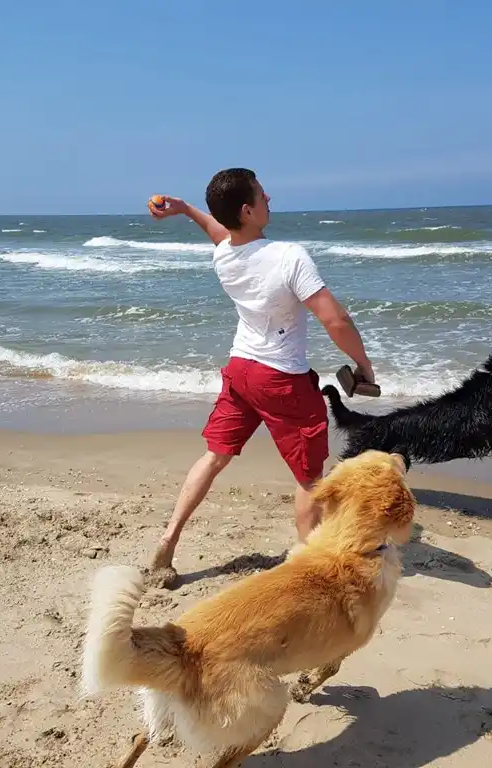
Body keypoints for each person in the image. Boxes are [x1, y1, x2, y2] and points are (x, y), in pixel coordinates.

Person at [144, 168, 377, 588]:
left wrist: (184, 209)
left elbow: (218, 230)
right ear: (248, 211)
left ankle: (168, 538)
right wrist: (364, 365)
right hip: (282, 380)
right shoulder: (289, 256)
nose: (270, 197)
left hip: (240, 372)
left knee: (214, 457)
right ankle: (313, 569)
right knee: (310, 479)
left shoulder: (225, 254)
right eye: (261, 195)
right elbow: (335, 319)